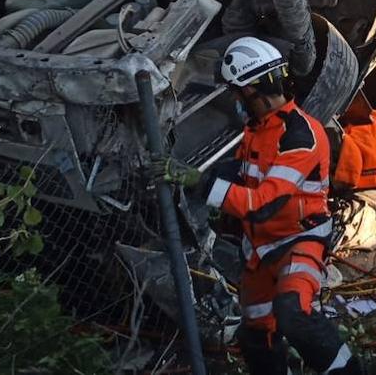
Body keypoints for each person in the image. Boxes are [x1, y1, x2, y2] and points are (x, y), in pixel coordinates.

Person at [149, 36, 361, 375]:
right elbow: (241, 174)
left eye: (237, 92)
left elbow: (263, 204)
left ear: (250, 92)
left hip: (298, 241)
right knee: (257, 333)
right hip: (260, 248)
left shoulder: (300, 136)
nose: (236, 100)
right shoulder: (258, 130)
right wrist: (193, 175)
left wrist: (200, 182)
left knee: (295, 314)